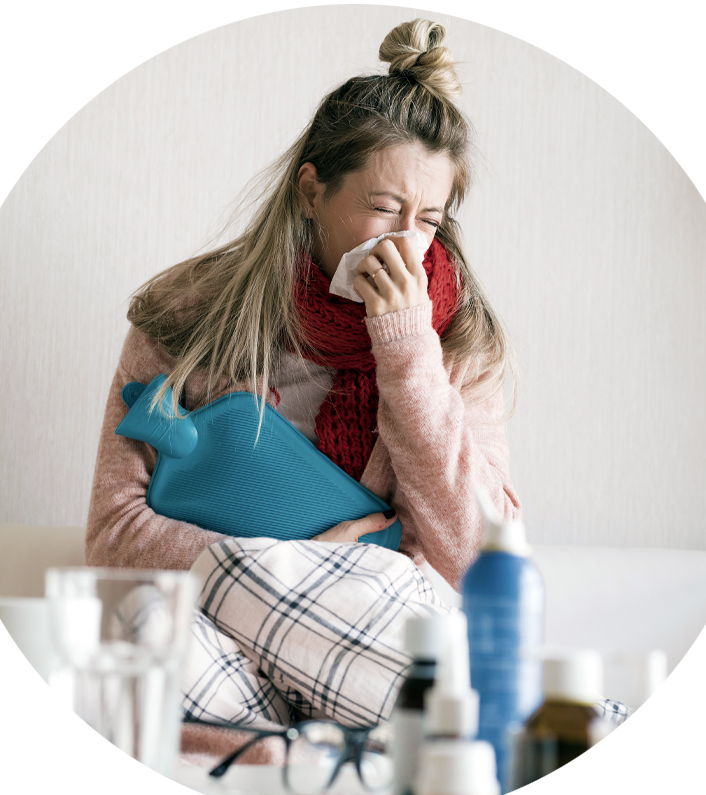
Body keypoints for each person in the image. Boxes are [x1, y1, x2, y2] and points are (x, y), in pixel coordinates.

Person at [86, 19, 521, 595]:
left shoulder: (461, 344)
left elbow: (478, 564)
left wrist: (408, 351)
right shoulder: (191, 314)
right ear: (312, 191)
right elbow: (112, 539)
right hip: (217, 632)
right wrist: (288, 568)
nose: (405, 243)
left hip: (377, 636)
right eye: (386, 208)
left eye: (430, 221)